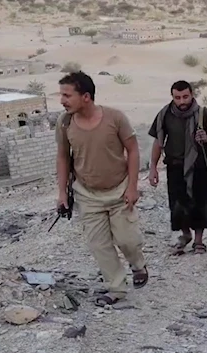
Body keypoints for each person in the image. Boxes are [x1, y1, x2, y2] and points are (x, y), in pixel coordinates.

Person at [55, 71, 148, 307]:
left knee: (128, 240)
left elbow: (133, 150)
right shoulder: (64, 123)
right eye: (61, 95)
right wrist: (62, 193)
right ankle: (116, 289)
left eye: (67, 95)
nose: (62, 100)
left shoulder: (115, 118)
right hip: (87, 194)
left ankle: (138, 265)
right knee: (99, 245)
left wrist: (133, 187)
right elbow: (63, 157)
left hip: (119, 190)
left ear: (86, 96)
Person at [148, 80, 207, 255]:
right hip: (175, 166)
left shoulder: (203, 113)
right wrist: (153, 167)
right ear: (172, 96)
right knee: (178, 204)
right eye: (177, 97)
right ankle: (185, 234)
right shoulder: (164, 114)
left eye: (185, 97)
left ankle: (198, 241)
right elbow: (158, 141)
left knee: (201, 202)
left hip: (199, 166)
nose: (182, 101)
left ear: (192, 95)